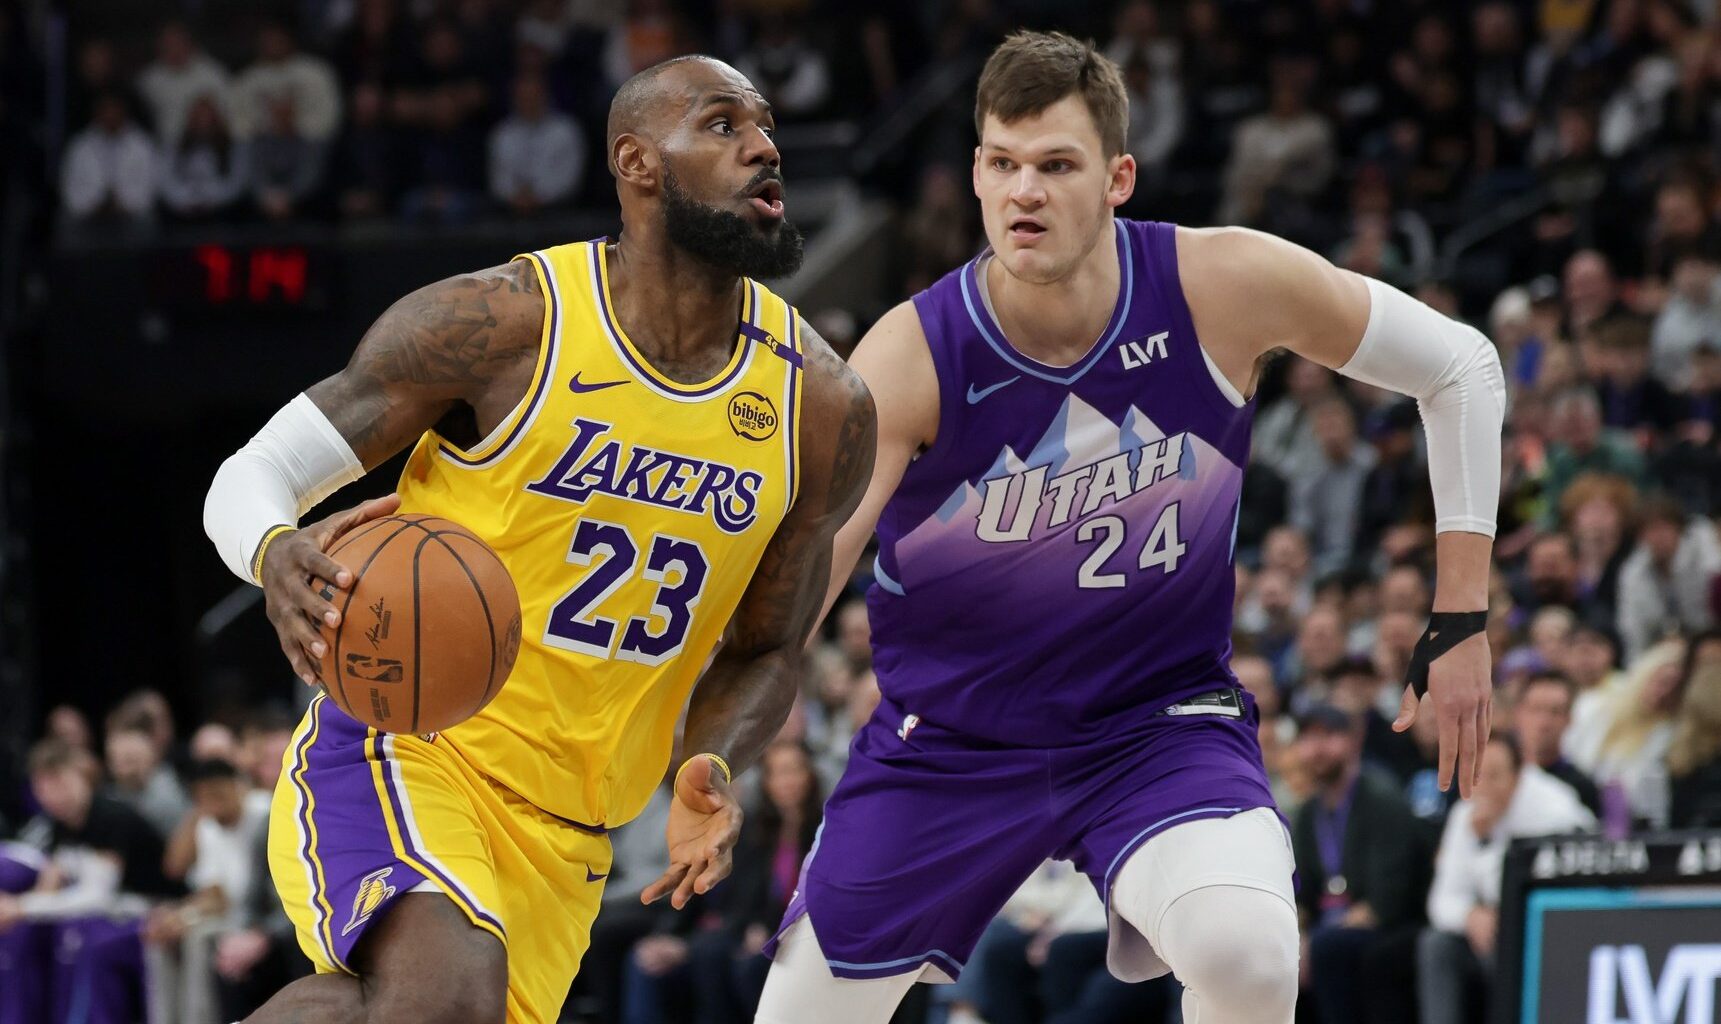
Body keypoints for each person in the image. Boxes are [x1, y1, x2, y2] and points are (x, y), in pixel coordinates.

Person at [755, 31, 1503, 1024]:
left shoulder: (1215, 285)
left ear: (1116, 177)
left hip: (1154, 726)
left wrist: (1459, 621)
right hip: (948, 746)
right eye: (1002, 163)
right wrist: (710, 750)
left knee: (1248, 957)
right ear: (974, 173)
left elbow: (1460, 367)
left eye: (1055, 166)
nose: (1023, 191)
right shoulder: (910, 354)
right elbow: (800, 586)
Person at [203, 54, 874, 1024]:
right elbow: (251, 477)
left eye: (764, 126)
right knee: (445, 999)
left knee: (408, 1010)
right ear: (637, 164)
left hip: (573, 833)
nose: (763, 146)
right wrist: (273, 552)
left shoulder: (818, 406)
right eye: (723, 125)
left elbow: (766, 646)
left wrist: (707, 766)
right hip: (408, 745)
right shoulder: (506, 323)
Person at [1417, 734, 1595, 1024]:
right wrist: (1470, 915)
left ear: (1518, 774)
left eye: (1495, 776)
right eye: (1476, 776)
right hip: (1491, 928)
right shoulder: (1465, 816)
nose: (1484, 787)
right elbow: (1441, 900)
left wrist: (1485, 844)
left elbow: (1560, 886)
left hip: (1543, 929)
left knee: (1506, 941)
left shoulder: (1555, 811)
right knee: (1436, 944)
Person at [1289, 704, 1430, 1024]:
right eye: (1308, 739)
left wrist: (1317, 938)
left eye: (1328, 736)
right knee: (1282, 954)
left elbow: (1386, 902)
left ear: (1353, 740)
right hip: (1332, 928)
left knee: (1328, 948)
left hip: (1391, 926)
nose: (1317, 749)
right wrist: (1296, 935)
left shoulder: (1382, 798)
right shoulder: (1309, 812)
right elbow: (1302, 895)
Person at [1512, 671, 1603, 814]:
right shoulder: (1497, 780)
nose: (1544, 722)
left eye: (1555, 712)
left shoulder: (1583, 788)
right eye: (1536, 709)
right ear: (1518, 713)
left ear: (1569, 719)